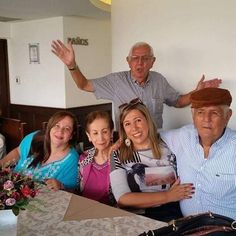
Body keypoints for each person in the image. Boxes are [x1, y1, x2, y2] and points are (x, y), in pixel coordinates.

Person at [51, 40, 221, 129]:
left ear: (152, 62)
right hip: (126, 143)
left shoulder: (159, 80)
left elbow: (177, 101)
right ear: (128, 61)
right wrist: (71, 65)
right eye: (135, 58)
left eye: (145, 58)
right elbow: (84, 84)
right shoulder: (116, 81)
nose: (140, 63)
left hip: (155, 141)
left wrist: (197, 92)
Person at [110, 98, 194, 222]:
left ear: (148, 121)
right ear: (123, 129)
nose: (134, 128)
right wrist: (168, 196)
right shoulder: (118, 155)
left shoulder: (169, 144)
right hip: (136, 218)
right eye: (127, 124)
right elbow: (123, 199)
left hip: (171, 215)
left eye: (138, 120)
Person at [160, 87, 236, 219]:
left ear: (227, 116)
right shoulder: (184, 136)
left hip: (226, 229)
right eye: (200, 112)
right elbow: (147, 135)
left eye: (214, 113)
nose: (206, 119)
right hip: (187, 227)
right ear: (193, 116)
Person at [0, 111, 79, 191]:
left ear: (72, 135)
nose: (60, 131)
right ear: (50, 127)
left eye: (67, 129)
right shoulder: (35, 137)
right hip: (10, 189)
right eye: (57, 125)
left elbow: (71, 189)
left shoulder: (72, 160)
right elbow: (18, 152)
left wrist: (61, 186)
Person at [77, 110, 116, 205]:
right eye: (95, 133)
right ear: (88, 135)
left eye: (105, 132)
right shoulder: (84, 158)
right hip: (84, 208)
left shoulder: (120, 158)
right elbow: (77, 190)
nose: (101, 138)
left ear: (111, 133)